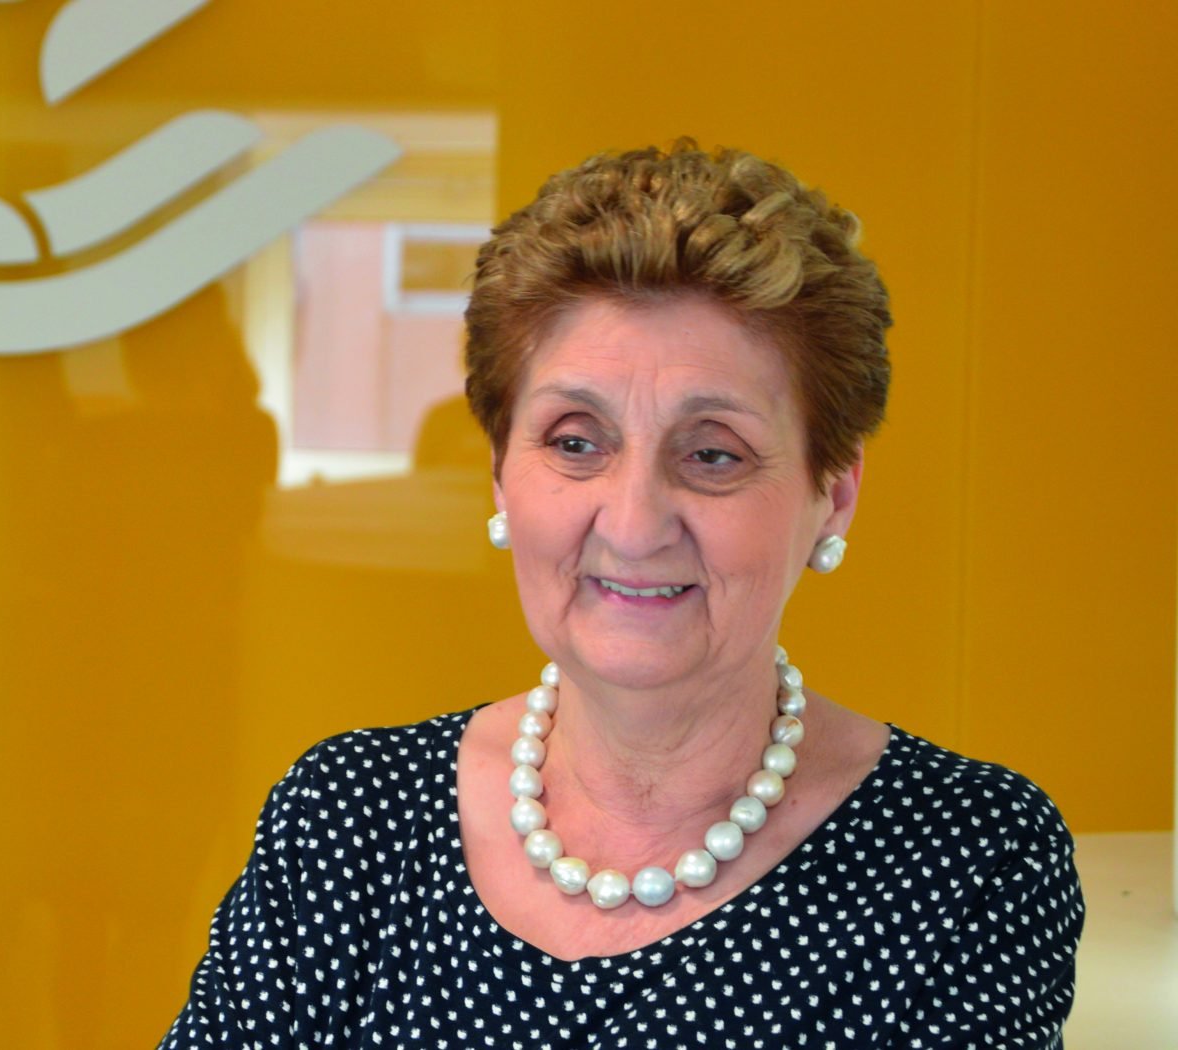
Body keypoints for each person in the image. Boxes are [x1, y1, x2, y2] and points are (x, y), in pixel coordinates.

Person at [159, 141, 1084, 1047]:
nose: (635, 525)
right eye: (575, 442)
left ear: (832, 496)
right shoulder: (349, 819)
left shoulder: (967, 859)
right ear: (500, 477)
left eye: (713, 453)